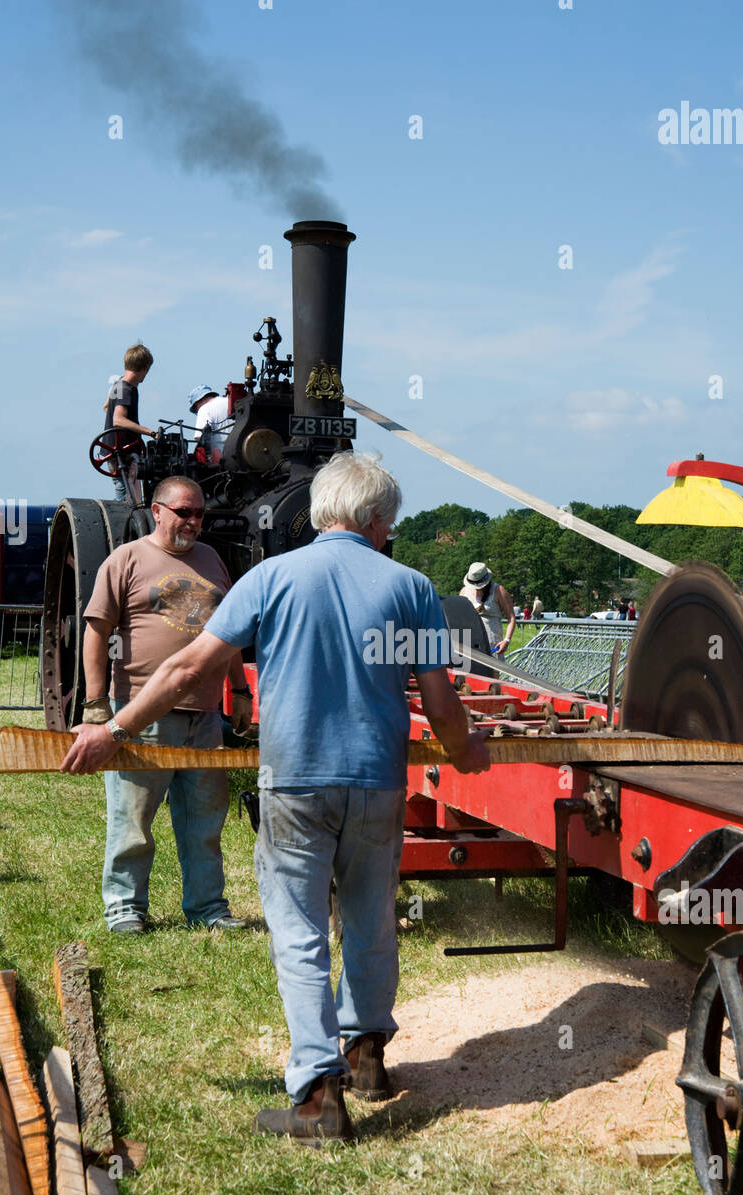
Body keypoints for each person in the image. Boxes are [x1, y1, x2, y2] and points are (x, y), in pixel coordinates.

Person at [61, 452, 490, 1144]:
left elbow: (186, 668)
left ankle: (319, 1099)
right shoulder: (411, 588)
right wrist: (466, 752)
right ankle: (367, 1057)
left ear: (323, 511)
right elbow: (441, 705)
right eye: (391, 523)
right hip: (377, 781)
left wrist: (113, 728)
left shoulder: (270, 577)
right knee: (372, 918)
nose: (391, 533)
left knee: (298, 933)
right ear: (375, 519)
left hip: (294, 782)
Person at [79, 475, 253, 934]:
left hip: (205, 718)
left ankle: (208, 909)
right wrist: (97, 706)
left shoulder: (212, 559)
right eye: (184, 512)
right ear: (157, 512)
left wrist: (238, 691)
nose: (194, 522)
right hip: (140, 714)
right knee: (133, 820)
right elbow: (95, 633)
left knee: (204, 821)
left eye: (199, 514)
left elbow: (229, 634)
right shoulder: (127, 560)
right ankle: (125, 910)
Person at [103, 343, 157, 502]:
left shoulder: (118, 384)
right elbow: (118, 419)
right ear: (145, 368)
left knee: (124, 492)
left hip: (113, 450)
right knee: (125, 499)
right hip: (120, 454)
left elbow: (107, 408)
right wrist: (149, 432)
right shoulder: (127, 389)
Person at [460, 562, 516, 655]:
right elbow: (461, 619)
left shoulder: (498, 590)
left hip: (494, 646)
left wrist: (506, 640)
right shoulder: (464, 591)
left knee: (492, 669)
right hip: (471, 645)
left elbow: (511, 617)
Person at [189, 385, 233, 467]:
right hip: (245, 453)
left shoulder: (204, 409)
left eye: (196, 409)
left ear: (197, 403)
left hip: (222, 460)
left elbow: (199, 438)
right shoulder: (231, 401)